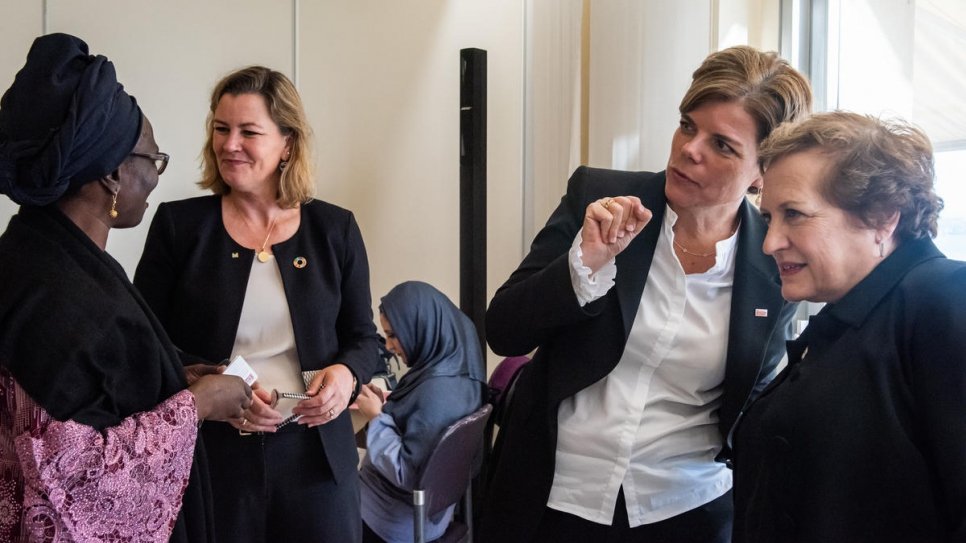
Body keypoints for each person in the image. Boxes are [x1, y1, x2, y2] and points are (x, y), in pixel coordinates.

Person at [482, 45, 813, 543]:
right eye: (687, 125)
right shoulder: (601, 197)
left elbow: (760, 401)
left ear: (762, 172)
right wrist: (584, 266)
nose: (689, 149)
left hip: (687, 510)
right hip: (552, 496)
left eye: (722, 145)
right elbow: (504, 330)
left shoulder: (775, 260)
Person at [0, 33, 252, 542]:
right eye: (153, 161)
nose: (156, 177)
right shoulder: (62, 298)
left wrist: (172, 376)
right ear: (114, 175)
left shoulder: (32, 256)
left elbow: (91, 386)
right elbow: (80, 484)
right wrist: (197, 405)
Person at [133, 65, 381, 543]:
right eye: (221, 129)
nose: (230, 144)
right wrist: (209, 386)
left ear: (287, 143)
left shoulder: (335, 230)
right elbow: (147, 343)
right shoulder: (179, 228)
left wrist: (347, 376)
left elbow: (363, 338)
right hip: (213, 458)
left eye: (249, 131)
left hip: (316, 462)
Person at [731, 111, 966, 542]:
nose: (769, 242)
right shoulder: (847, 323)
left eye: (795, 214)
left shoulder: (946, 298)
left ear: (882, 217)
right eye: (768, 218)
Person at [354, 281, 487, 543]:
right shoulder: (458, 356)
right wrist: (389, 408)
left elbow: (408, 473)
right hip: (432, 516)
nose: (389, 347)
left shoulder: (437, 394)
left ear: (421, 325)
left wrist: (376, 418)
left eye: (393, 335)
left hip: (392, 520)